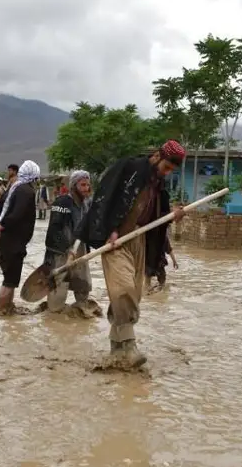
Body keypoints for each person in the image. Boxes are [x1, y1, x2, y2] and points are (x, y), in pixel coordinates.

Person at [69, 140, 187, 368]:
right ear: (156, 156)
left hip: (138, 241)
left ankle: (116, 349)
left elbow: (157, 217)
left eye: (172, 170)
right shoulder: (129, 169)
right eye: (167, 167)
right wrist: (109, 228)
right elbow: (106, 196)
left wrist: (172, 214)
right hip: (115, 241)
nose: (168, 172)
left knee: (133, 293)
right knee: (122, 289)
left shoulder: (158, 185)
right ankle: (130, 345)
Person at [0, 160, 39, 313]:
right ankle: (0, 312)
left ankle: (6, 310)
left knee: (9, 279)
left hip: (5, 240)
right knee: (10, 281)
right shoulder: (27, 191)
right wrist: (2, 226)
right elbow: (18, 214)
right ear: (34, 177)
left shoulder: (13, 188)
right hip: (13, 242)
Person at [43, 170, 97, 314]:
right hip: (61, 251)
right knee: (58, 286)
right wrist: (66, 250)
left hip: (80, 248)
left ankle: (81, 309)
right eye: (82, 185)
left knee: (83, 283)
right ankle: (54, 315)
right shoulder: (62, 202)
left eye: (87, 185)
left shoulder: (86, 203)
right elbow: (54, 229)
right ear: (74, 186)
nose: (86, 188)